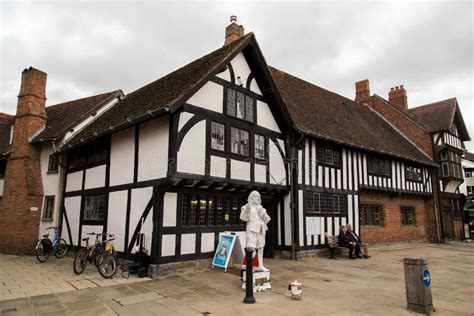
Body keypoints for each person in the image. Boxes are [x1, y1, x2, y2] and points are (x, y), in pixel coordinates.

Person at [240, 191, 271, 272]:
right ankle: (250, 266)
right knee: (251, 248)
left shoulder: (261, 208)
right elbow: (243, 218)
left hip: (261, 229)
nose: (256, 198)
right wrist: (247, 210)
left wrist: (264, 215)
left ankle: (260, 265)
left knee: (261, 247)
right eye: (254, 196)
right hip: (252, 229)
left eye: (258, 196)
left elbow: (267, 219)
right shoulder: (246, 207)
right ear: (251, 197)